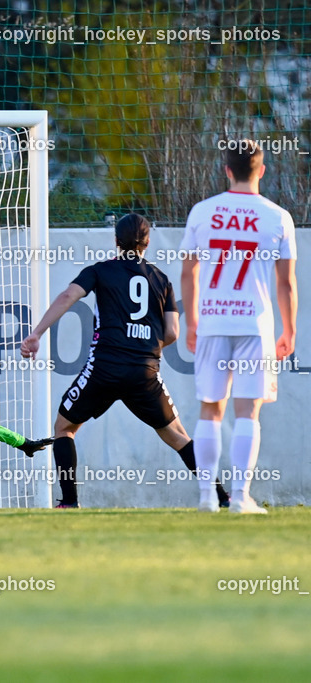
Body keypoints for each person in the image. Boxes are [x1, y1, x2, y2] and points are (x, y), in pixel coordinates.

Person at [21, 213, 229, 508]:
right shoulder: (161, 279)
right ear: (147, 242)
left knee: (65, 428)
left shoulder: (100, 270)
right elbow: (172, 332)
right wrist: (143, 344)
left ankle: (69, 502)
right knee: (178, 436)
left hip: (104, 369)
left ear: (116, 240)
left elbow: (68, 296)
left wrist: (36, 333)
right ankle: (222, 497)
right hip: (144, 371)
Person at [180, 139, 297, 514]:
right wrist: (289, 330)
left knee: (210, 410)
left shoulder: (202, 211)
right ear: (262, 170)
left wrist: (192, 322)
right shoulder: (278, 216)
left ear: (227, 170)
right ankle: (240, 496)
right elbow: (286, 283)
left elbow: (188, 271)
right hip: (255, 324)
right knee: (248, 412)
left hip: (213, 321)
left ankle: (206, 497)